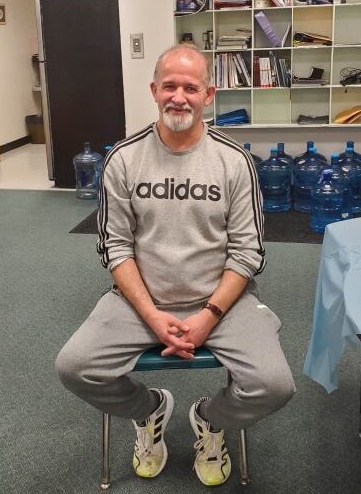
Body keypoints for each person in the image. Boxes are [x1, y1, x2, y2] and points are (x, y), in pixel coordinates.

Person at [55, 44, 295, 486]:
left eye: (190, 87)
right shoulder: (124, 159)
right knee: (74, 367)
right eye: (169, 86)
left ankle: (210, 420)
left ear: (209, 95)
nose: (178, 97)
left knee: (275, 385)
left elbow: (248, 252)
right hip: (141, 299)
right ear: (154, 90)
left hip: (222, 301)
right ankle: (150, 412)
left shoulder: (234, 162)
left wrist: (209, 315)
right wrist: (149, 312)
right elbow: (115, 247)